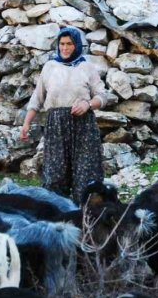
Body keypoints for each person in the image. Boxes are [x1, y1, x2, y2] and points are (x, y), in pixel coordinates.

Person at [20, 27, 109, 204]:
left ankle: (85, 219)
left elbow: (102, 96)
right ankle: (57, 217)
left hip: (83, 126)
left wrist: (88, 104)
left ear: (76, 45)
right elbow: (37, 98)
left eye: (69, 44)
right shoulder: (50, 67)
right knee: (54, 175)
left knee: (85, 175)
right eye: (62, 44)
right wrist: (26, 124)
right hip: (56, 126)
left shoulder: (87, 67)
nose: (65, 48)